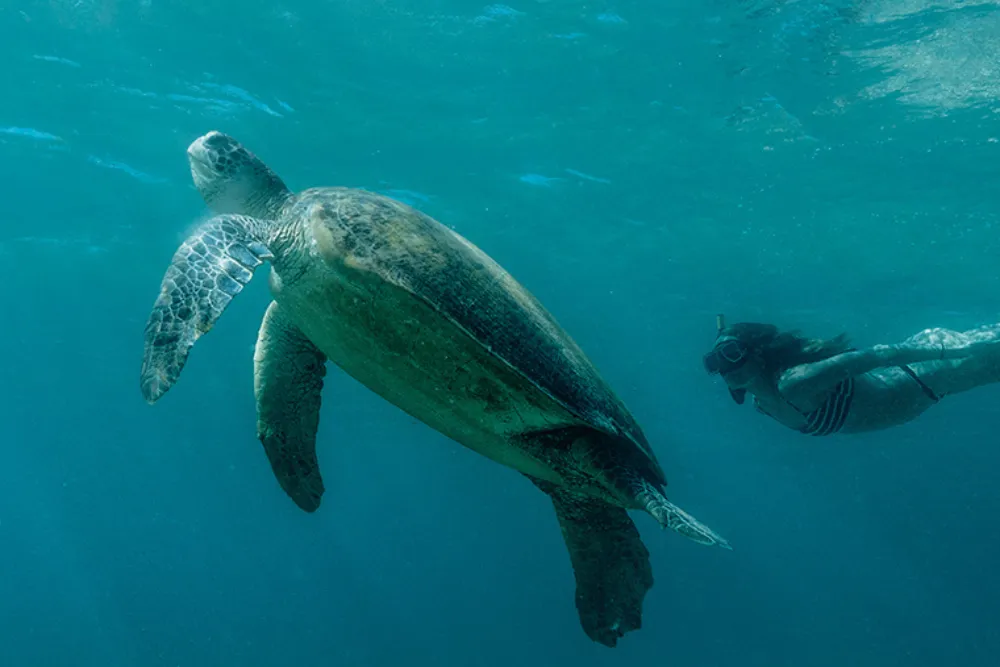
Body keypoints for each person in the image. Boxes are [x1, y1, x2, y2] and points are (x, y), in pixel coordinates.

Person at [702, 314, 1000, 436]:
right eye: (714, 362)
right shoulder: (762, 403)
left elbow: (880, 355)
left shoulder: (796, 383)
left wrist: (955, 351)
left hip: (938, 369)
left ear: (757, 353)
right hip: (933, 382)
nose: (725, 368)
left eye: (730, 354)